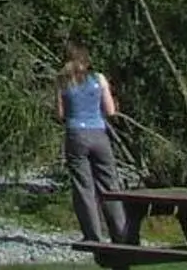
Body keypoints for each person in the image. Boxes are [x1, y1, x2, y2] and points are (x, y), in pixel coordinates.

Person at [56, 43, 129, 246]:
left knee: (83, 187)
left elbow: (60, 114)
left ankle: (92, 235)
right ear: (86, 61)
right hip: (98, 132)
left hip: (75, 133)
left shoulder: (63, 81)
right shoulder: (99, 78)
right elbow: (110, 110)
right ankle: (120, 233)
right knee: (110, 185)